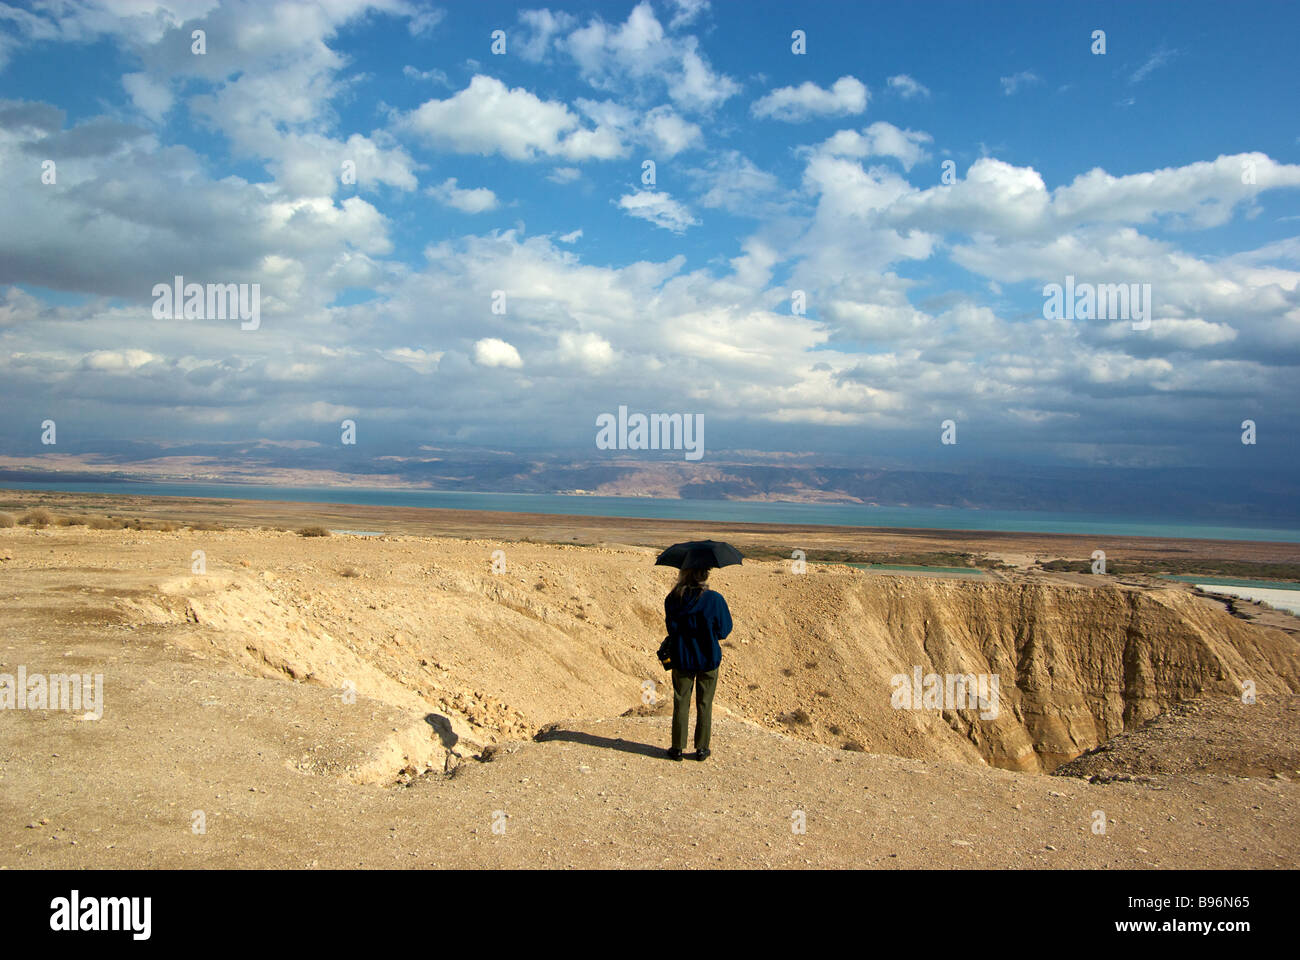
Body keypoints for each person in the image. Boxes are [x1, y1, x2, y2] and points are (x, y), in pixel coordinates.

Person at [663, 566, 732, 761]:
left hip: (682, 658)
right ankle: (702, 748)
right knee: (705, 703)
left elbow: (671, 628)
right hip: (708, 658)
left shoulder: (672, 599)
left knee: (681, 701)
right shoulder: (715, 599)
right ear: (705, 575)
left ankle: (677, 748)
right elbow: (724, 630)